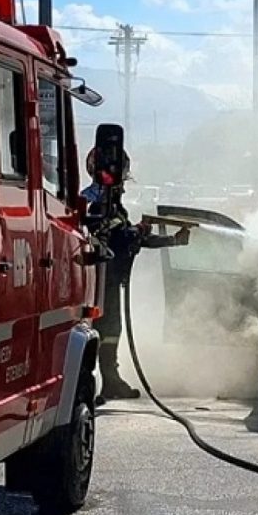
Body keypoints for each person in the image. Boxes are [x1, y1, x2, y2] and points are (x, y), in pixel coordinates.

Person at [83, 149, 190, 401]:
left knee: (111, 329)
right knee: (104, 330)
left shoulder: (111, 204)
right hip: (99, 279)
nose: (123, 185)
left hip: (107, 279)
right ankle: (104, 381)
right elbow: (108, 236)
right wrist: (136, 232)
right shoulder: (96, 203)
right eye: (122, 177)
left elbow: (131, 237)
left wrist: (172, 241)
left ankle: (111, 380)